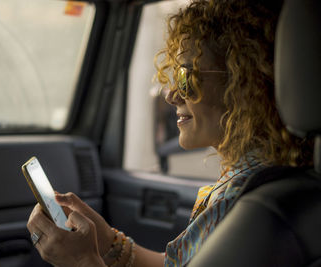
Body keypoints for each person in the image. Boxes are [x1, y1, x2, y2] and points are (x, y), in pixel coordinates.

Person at [26, 0, 314, 266]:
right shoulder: (269, 177)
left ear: (244, 85)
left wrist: (82, 261)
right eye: (175, 76)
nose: (172, 95)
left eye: (186, 77)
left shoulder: (242, 203)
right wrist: (107, 241)